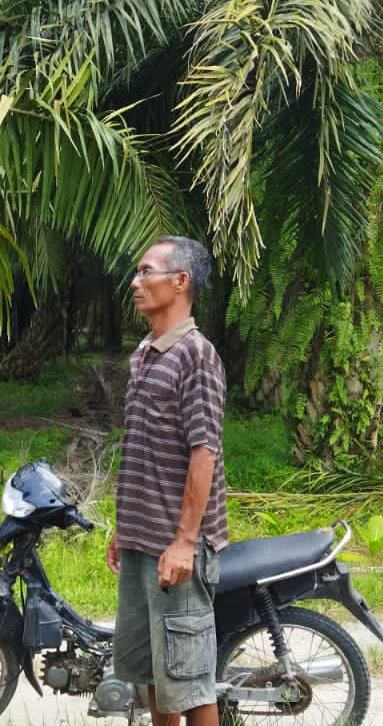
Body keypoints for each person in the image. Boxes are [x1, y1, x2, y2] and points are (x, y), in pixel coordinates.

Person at [106, 235, 229, 726]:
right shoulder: (145, 353)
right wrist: (125, 529)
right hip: (142, 544)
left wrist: (184, 542)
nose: (135, 283)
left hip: (177, 551)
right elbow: (142, 448)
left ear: (180, 282)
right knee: (155, 676)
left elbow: (205, 453)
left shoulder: (197, 355)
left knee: (190, 679)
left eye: (146, 272)